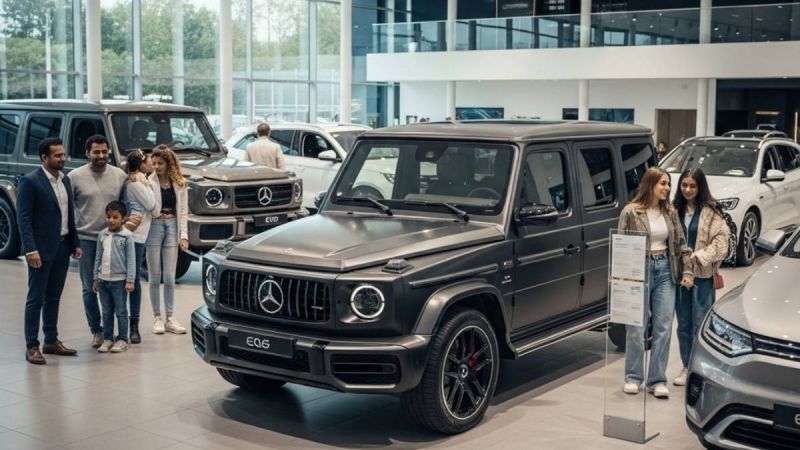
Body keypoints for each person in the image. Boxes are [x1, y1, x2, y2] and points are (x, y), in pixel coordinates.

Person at [617, 166, 693, 398]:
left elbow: (681, 243)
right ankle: (633, 377)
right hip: (638, 270)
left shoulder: (670, 212)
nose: (667, 188)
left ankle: (657, 379)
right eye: (663, 183)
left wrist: (687, 270)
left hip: (665, 271)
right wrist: (621, 280)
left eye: (669, 184)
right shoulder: (631, 212)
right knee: (636, 326)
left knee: (663, 326)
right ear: (650, 184)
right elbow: (621, 245)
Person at [16, 137, 82, 364]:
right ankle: (32, 345)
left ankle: (51, 340)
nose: (63, 158)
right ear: (44, 157)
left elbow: (69, 214)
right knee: (36, 298)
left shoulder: (65, 180)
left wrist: (75, 243)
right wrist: (30, 249)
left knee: (54, 297)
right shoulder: (30, 181)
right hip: (40, 250)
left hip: (63, 247)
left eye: (63, 154)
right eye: (58, 155)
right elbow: (23, 219)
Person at [68, 135, 127, 348]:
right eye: (96, 152)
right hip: (86, 240)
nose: (101, 156)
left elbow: (125, 206)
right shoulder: (74, 176)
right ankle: (96, 330)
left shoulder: (120, 175)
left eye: (104, 151)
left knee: (117, 285)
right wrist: (71, 241)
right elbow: (66, 210)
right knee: (89, 287)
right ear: (87, 153)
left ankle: (118, 334)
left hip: (114, 239)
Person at [672, 168, 729, 386]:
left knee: (700, 324)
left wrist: (699, 256)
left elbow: (721, 244)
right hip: (679, 277)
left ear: (700, 187)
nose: (687, 189)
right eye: (684, 185)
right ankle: (687, 366)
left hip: (702, 277)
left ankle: (701, 369)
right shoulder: (673, 210)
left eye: (692, 186)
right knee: (683, 325)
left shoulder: (711, 211)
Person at [146, 145, 188, 335]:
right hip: (154, 227)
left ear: (168, 163)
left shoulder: (179, 184)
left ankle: (170, 317)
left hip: (172, 226)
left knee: (170, 277)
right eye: (153, 163)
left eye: (160, 163)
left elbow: (184, 212)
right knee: (154, 276)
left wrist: (184, 236)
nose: (156, 166)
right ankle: (157, 317)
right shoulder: (148, 182)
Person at [122, 150, 157, 344]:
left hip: (139, 235)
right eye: (149, 160)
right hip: (134, 236)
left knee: (133, 280)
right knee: (132, 280)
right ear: (141, 164)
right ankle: (131, 324)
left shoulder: (140, 180)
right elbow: (152, 205)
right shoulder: (136, 183)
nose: (152, 163)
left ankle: (131, 323)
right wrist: (149, 184)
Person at [93, 201, 136, 353]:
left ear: (123, 219)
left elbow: (131, 260)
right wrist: (95, 278)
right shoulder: (102, 235)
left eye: (115, 217)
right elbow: (98, 257)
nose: (111, 220)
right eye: (108, 217)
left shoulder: (127, 236)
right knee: (106, 312)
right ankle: (108, 338)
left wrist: (130, 280)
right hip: (103, 280)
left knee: (121, 311)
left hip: (119, 282)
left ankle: (123, 339)